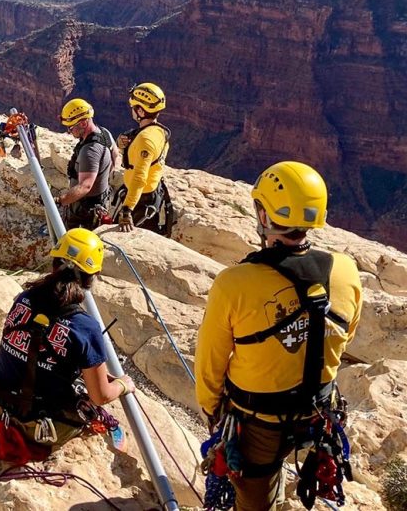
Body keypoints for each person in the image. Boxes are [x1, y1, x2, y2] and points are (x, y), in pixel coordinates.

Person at [194, 161, 362, 511]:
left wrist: (212, 410)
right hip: (319, 413)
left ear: (266, 215)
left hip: (257, 424)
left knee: (254, 503)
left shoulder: (234, 283)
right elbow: (345, 336)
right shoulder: (346, 270)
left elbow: (210, 361)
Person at [0, 228, 135, 463]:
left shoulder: (25, 298)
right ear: (93, 276)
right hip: (39, 429)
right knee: (87, 403)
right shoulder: (84, 327)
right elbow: (100, 396)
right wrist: (123, 384)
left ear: (54, 264)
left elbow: (31, 346)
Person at [115, 82, 174, 236]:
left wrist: (127, 210)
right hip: (150, 194)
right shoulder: (157, 131)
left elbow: (139, 178)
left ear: (140, 110)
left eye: (134, 107)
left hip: (141, 201)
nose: (132, 110)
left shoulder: (145, 140)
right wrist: (123, 144)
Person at [56, 98, 121, 230]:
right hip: (100, 201)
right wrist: (103, 177)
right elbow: (116, 155)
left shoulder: (90, 151)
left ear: (84, 123)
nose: (69, 131)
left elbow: (85, 186)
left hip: (85, 212)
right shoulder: (104, 133)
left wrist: (59, 201)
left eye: (71, 127)